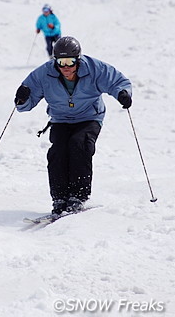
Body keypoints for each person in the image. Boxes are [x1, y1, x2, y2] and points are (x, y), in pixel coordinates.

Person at [14, 36, 132, 215]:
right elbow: (24, 105)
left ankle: (78, 197)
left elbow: (117, 82)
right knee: (58, 151)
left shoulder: (94, 68)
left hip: (89, 117)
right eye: (61, 62)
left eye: (70, 61)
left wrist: (123, 94)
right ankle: (60, 198)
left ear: (78, 59)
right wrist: (22, 97)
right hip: (61, 119)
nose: (65, 67)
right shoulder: (44, 74)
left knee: (79, 144)